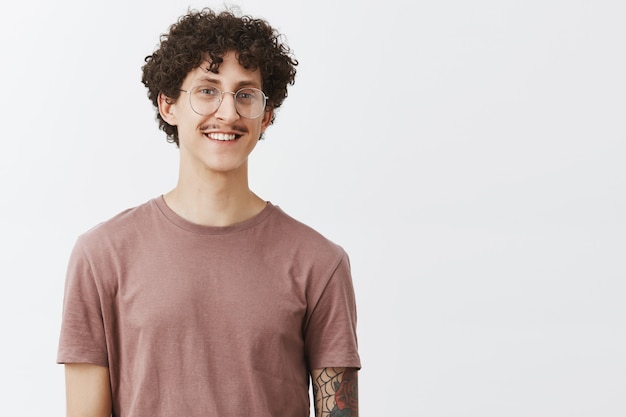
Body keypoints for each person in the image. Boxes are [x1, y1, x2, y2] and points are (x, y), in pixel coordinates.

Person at [56, 7, 361, 417]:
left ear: (266, 116)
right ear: (168, 106)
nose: (228, 112)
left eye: (245, 94)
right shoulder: (102, 256)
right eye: (207, 90)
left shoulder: (319, 263)